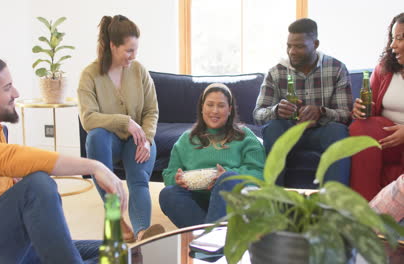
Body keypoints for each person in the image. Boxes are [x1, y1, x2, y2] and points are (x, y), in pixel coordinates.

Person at [0, 54, 128, 264]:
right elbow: (10, 159)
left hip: (11, 245)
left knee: (117, 255)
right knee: (38, 184)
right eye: (7, 88)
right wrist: (95, 166)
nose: (16, 93)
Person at [77, 15, 162, 242]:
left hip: (139, 140)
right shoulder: (90, 75)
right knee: (95, 138)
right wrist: (125, 122)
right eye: (128, 50)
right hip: (109, 142)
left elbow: (151, 111)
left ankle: (142, 232)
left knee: (137, 178)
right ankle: (115, 218)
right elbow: (88, 118)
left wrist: (146, 139)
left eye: (135, 50)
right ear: (113, 46)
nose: (133, 56)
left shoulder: (139, 71)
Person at [253, 18, 353, 186]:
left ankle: (333, 206)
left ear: (315, 44)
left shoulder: (336, 69)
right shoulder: (275, 72)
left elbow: (346, 115)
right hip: (287, 132)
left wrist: (321, 112)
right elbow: (258, 114)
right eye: (289, 45)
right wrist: (276, 111)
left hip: (321, 131)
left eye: (299, 46)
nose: (292, 51)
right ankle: (274, 204)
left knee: (338, 131)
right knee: (273, 128)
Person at [159, 83, 265, 228]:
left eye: (221, 106)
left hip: (234, 201)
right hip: (197, 203)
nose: (215, 111)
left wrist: (229, 175)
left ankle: (205, 238)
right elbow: (169, 173)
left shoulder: (245, 136)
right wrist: (176, 179)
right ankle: (212, 235)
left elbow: (259, 174)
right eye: (210, 105)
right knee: (167, 194)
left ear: (229, 110)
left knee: (226, 178)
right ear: (202, 108)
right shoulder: (186, 139)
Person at [350, 13, 404, 201]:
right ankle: (366, 209)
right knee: (359, 127)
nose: (392, 45)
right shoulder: (385, 68)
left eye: (400, 38)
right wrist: (360, 110)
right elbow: (370, 109)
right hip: (389, 138)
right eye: (392, 38)